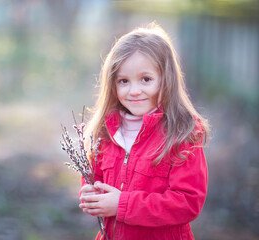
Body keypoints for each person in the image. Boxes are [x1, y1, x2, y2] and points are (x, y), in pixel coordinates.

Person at [79, 23, 210, 240]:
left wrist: (122, 205)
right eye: (124, 81)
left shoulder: (181, 133)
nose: (134, 91)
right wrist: (91, 194)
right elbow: (95, 179)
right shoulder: (106, 132)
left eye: (146, 79)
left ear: (165, 80)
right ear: (112, 85)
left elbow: (188, 203)